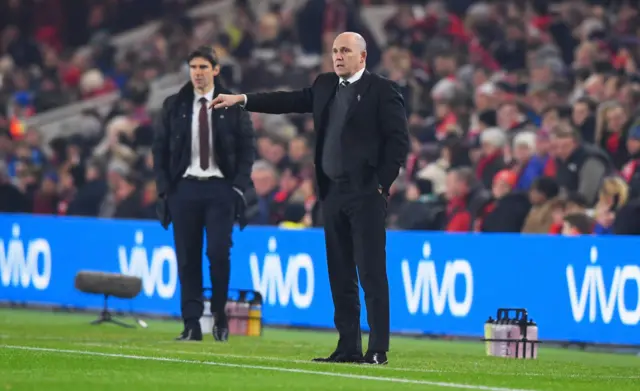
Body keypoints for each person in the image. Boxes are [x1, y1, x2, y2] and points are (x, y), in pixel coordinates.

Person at [212, 32, 409, 364]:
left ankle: (377, 349)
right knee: (340, 273)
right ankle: (348, 346)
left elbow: (398, 143)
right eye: (334, 50)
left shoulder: (383, 91)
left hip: (365, 195)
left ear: (362, 57)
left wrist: (380, 186)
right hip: (331, 194)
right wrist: (242, 99)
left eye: (345, 50)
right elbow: (287, 100)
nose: (338, 55)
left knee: (371, 272)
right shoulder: (324, 85)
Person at [152, 46, 256, 342]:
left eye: (202, 67)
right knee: (187, 257)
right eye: (193, 67)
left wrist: (238, 185)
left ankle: (220, 317)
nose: (197, 73)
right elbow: (159, 149)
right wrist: (165, 188)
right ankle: (191, 323)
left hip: (220, 188)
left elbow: (248, 147)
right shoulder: (175, 105)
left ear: (216, 70)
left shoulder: (232, 104)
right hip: (184, 188)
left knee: (218, 253)